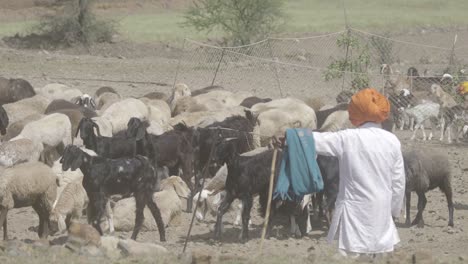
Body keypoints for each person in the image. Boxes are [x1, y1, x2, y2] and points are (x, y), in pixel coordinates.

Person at [312, 88, 406, 258]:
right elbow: (398, 182)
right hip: (381, 211)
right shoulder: (392, 141)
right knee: (381, 254)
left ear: (354, 112)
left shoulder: (347, 137)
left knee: (352, 254)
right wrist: (393, 211)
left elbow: (317, 140)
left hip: (354, 212)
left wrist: (289, 136)